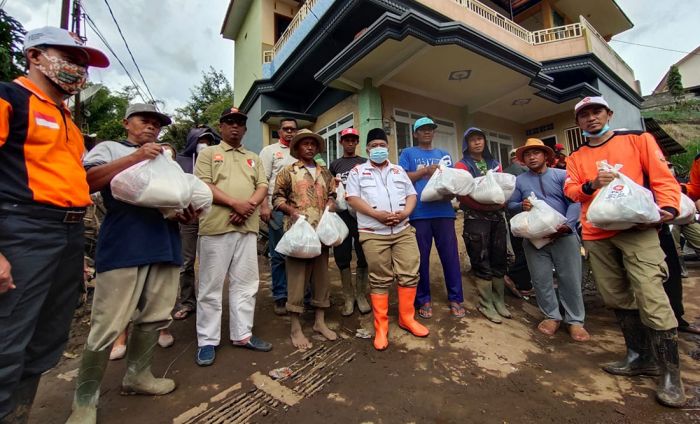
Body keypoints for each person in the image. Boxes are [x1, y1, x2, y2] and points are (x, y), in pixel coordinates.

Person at [0, 26, 109, 423]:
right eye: (69, 57)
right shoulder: (10, 97)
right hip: (21, 227)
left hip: (67, 231)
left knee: (46, 338)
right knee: (7, 339)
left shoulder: (70, 123)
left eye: (82, 62)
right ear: (33, 56)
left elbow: (77, 184)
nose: (78, 68)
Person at [67, 103, 199, 423]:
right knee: (107, 323)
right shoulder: (110, 148)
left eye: (157, 123)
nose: (151, 126)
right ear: (127, 123)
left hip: (165, 242)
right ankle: (84, 401)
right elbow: (87, 181)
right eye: (145, 120)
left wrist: (185, 211)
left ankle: (138, 376)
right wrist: (136, 156)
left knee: (155, 316)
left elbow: (176, 195)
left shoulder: (165, 159)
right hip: (124, 244)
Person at [564, 96, 685, 408]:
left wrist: (669, 207)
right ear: (578, 122)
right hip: (596, 233)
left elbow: (662, 178)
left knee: (651, 295)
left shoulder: (638, 140)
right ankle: (638, 356)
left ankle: (671, 374)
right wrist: (591, 185)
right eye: (584, 115)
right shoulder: (576, 157)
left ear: (609, 114)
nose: (591, 119)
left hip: (637, 230)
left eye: (596, 112)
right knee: (615, 296)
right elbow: (572, 190)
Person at [194, 107, 272, 366]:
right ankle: (207, 340)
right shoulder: (208, 153)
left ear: (245, 128)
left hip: (247, 228)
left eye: (239, 123)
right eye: (229, 122)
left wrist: (248, 205)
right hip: (217, 226)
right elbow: (203, 185)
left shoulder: (253, 157)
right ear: (222, 126)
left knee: (246, 284)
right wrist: (234, 204)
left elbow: (262, 185)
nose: (235, 127)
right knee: (210, 286)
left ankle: (242, 334)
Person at [346, 128, 429, 350]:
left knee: (410, 273)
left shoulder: (399, 170)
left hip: (402, 230)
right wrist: (376, 215)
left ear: (387, 147)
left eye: (382, 145)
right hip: (373, 233)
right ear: (367, 149)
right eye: (374, 146)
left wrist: (405, 213)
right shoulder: (357, 172)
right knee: (380, 278)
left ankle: (407, 318)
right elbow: (352, 198)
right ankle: (381, 326)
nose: (378, 149)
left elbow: (412, 194)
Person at [508, 138, 587, 341]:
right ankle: (551, 316)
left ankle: (575, 320)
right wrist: (521, 206)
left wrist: (567, 225)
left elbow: (575, 201)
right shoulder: (521, 181)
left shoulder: (562, 175)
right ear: (523, 159)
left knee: (570, 278)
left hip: (564, 234)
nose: (532, 157)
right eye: (527, 154)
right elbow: (510, 205)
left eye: (536, 153)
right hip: (535, 238)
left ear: (546, 156)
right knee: (541, 279)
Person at [272, 129, 338, 350]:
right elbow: (277, 198)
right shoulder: (288, 171)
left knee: (321, 278)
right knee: (297, 279)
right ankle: (295, 326)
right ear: (297, 148)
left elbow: (333, 195)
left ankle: (320, 321)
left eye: (313, 144)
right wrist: (291, 211)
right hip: (298, 233)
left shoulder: (325, 172)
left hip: (320, 233)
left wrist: (331, 204)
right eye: (304, 144)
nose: (309, 147)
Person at [398, 117, 465, 319]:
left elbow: (451, 179)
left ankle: (456, 298)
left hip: (444, 211)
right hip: (419, 213)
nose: (427, 132)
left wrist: (451, 192)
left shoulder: (443, 155)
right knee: (421, 259)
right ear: (416, 134)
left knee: (450, 257)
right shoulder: (408, 153)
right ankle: (423, 299)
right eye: (423, 129)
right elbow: (401, 178)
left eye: (430, 129)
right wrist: (425, 171)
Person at [455, 128, 510, 323]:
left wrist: (500, 203)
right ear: (466, 144)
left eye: (480, 139)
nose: (477, 143)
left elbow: (503, 187)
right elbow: (462, 193)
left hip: (497, 218)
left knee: (499, 257)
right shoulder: (462, 165)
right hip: (475, 218)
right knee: (481, 258)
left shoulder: (494, 164)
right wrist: (484, 206)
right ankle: (486, 303)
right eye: (472, 140)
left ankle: (499, 301)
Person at [173, 127, 218, 321]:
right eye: (201, 140)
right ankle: (187, 302)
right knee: (186, 261)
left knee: (213, 261)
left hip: (211, 215)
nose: (204, 144)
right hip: (187, 217)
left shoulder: (215, 160)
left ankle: (210, 302)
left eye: (208, 141)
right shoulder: (180, 162)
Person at [329, 128, 370, 316]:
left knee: (363, 252)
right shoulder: (335, 164)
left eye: (354, 139)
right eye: (347, 139)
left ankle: (361, 295)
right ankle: (348, 297)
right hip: (342, 216)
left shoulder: (364, 162)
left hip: (361, 215)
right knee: (342, 254)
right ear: (341, 142)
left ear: (357, 142)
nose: (350, 143)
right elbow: (331, 188)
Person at [259, 118, 298, 315]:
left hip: (299, 210)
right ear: (279, 131)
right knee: (278, 254)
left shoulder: (300, 152)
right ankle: (280, 296)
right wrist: (264, 206)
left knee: (299, 253)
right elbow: (262, 180)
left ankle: (299, 295)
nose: (290, 132)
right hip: (276, 208)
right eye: (286, 129)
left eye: (293, 129)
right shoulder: (269, 151)